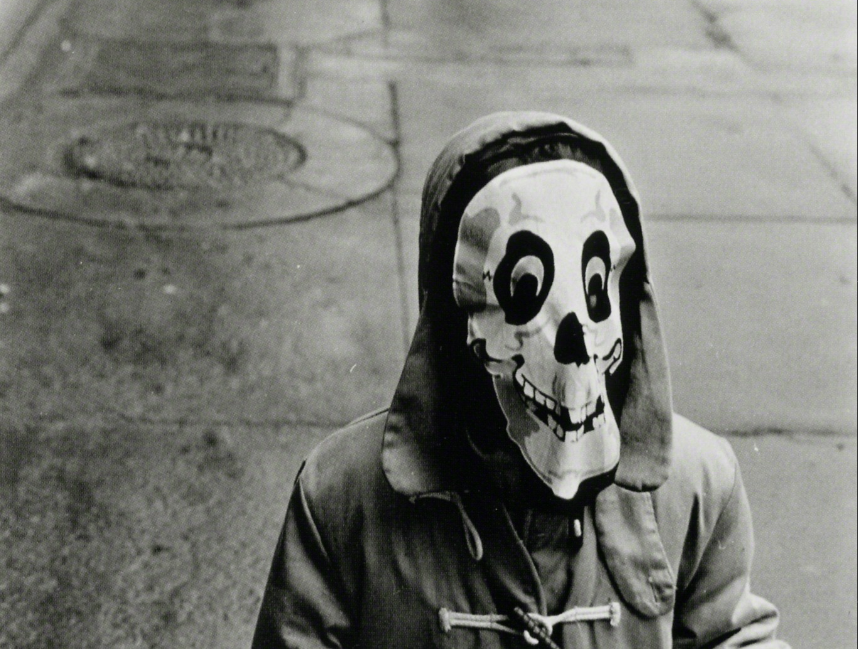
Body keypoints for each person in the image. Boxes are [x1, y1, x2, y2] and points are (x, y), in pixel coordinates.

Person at [251, 110, 790, 649]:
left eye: (595, 288)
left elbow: (733, 635)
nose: (570, 350)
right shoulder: (342, 499)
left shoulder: (697, 489)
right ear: (450, 318)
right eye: (523, 298)